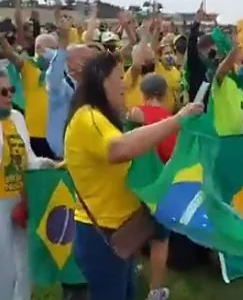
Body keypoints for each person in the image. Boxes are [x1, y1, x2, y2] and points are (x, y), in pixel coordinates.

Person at [64, 52, 203, 299]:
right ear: (102, 81)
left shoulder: (99, 117)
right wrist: (178, 120)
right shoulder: (89, 117)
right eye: (119, 77)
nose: (125, 86)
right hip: (102, 237)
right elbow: (121, 149)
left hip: (118, 233)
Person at [0, 67, 56, 300]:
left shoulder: (17, 117)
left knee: (24, 262)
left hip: (19, 198)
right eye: (3, 92)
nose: (9, 95)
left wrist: (48, 164)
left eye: (11, 90)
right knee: (4, 266)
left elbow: (28, 158)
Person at [127, 74, 176, 300]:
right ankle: (155, 291)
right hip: (160, 187)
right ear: (165, 94)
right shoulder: (171, 120)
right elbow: (172, 156)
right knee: (160, 239)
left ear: (143, 94)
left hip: (134, 184)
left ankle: (133, 268)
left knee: (134, 230)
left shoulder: (133, 114)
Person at [44, 19, 95, 159]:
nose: (92, 66)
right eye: (87, 61)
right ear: (71, 63)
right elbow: (53, 76)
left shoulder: (90, 88)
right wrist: (62, 47)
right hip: (59, 158)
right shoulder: (61, 88)